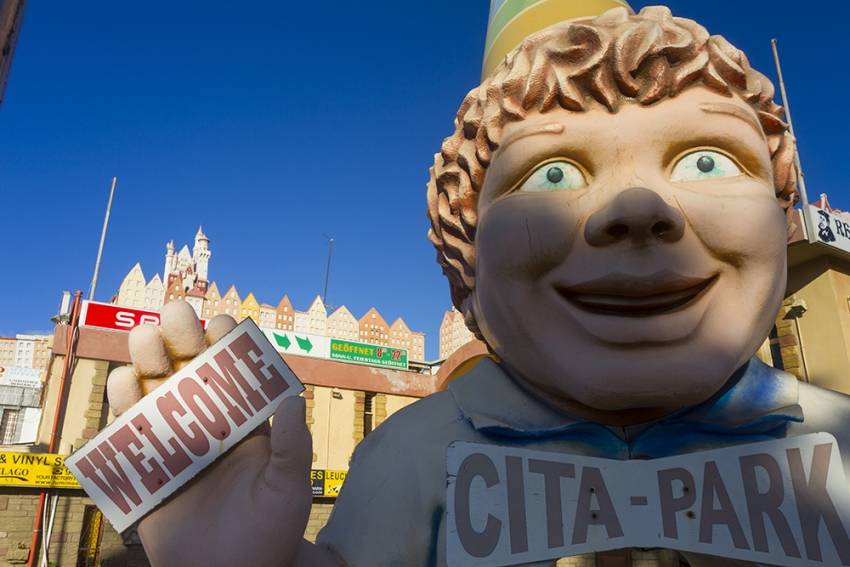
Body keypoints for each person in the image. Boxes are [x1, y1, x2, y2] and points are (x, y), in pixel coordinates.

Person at [106, 6, 850, 566]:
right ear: (467, 254)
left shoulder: (835, 443)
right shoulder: (415, 454)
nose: (637, 210)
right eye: (552, 174)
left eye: (706, 160)